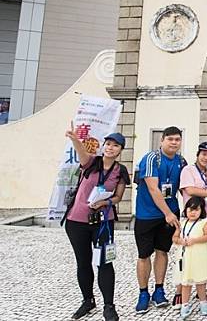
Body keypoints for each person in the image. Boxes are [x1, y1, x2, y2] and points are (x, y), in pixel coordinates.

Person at [62, 126, 130, 321]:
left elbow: (118, 197)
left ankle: (109, 306)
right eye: (108, 144)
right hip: (77, 220)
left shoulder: (120, 170)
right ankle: (87, 300)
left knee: (104, 263)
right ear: (103, 146)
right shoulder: (91, 162)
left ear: (120, 150)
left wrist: (105, 202)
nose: (110, 148)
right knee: (83, 262)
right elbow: (81, 152)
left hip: (103, 222)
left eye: (115, 145)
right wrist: (75, 139)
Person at [133, 126, 187, 314]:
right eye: (170, 139)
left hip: (170, 215)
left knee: (162, 252)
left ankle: (159, 289)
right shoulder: (151, 158)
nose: (174, 142)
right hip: (147, 215)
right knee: (144, 255)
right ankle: (143, 293)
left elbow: (185, 187)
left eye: (177, 139)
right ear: (161, 140)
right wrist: (168, 213)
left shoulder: (181, 161)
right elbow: (153, 189)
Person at [177, 142, 207, 302]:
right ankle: (180, 294)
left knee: (204, 256)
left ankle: (201, 292)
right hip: (191, 219)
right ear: (198, 154)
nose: (206, 158)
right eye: (204, 154)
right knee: (186, 256)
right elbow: (190, 190)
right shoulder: (189, 170)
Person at [172, 196, 207, 319]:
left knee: (200, 281)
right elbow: (174, 238)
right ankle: (185, 305)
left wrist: (194, 240)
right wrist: (181, 241)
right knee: (185, 281)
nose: (193, 212)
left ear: (202, 211)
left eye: (196, 210)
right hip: (185, 256)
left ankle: (203, 303)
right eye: (190, 209)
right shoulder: (182, 223)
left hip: (199, 255)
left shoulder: (204, 222)